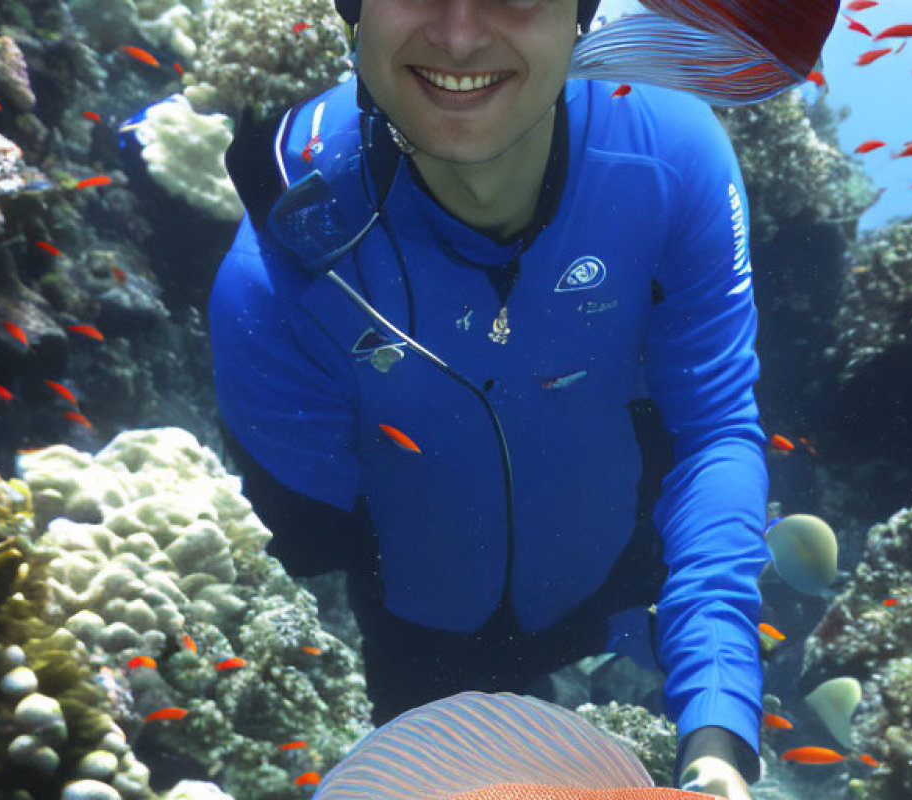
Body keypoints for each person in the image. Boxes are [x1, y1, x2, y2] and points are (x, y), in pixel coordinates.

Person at [208, 0, 836, 796]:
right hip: (420, 642)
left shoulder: (673, 161)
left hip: (620, 594)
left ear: (584, 13)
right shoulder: (279, 270)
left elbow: (713, 432)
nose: (462, 33)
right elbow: (310, 533)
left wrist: (719, 733)